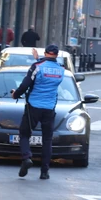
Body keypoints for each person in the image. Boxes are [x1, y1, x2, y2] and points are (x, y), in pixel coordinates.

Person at [11, 44, 64, 180]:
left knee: (24, 134)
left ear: (45, 53)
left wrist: (15, 94)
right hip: (50, 107)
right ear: (56, 55)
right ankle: (44, 172)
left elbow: (25, 84)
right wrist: (39, 59)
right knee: (47, 140)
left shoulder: (37, 66)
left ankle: (27, 157)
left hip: (33, 106)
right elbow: (49, 65)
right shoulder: (61, 70)